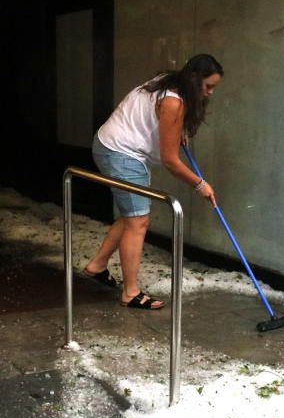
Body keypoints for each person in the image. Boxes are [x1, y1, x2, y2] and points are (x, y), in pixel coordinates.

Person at [82, 54, 222, 310]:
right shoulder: (173, 103)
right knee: (138, 220)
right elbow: (170, 161)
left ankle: (97, 265)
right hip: (121, 153)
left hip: (112, 145)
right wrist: (200, 184)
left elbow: (156, 123)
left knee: (130, 215)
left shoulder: (168, 82)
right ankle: (130, 293)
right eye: (208, 86)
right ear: (194, 80)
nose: (210, 93)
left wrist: (176, 131)